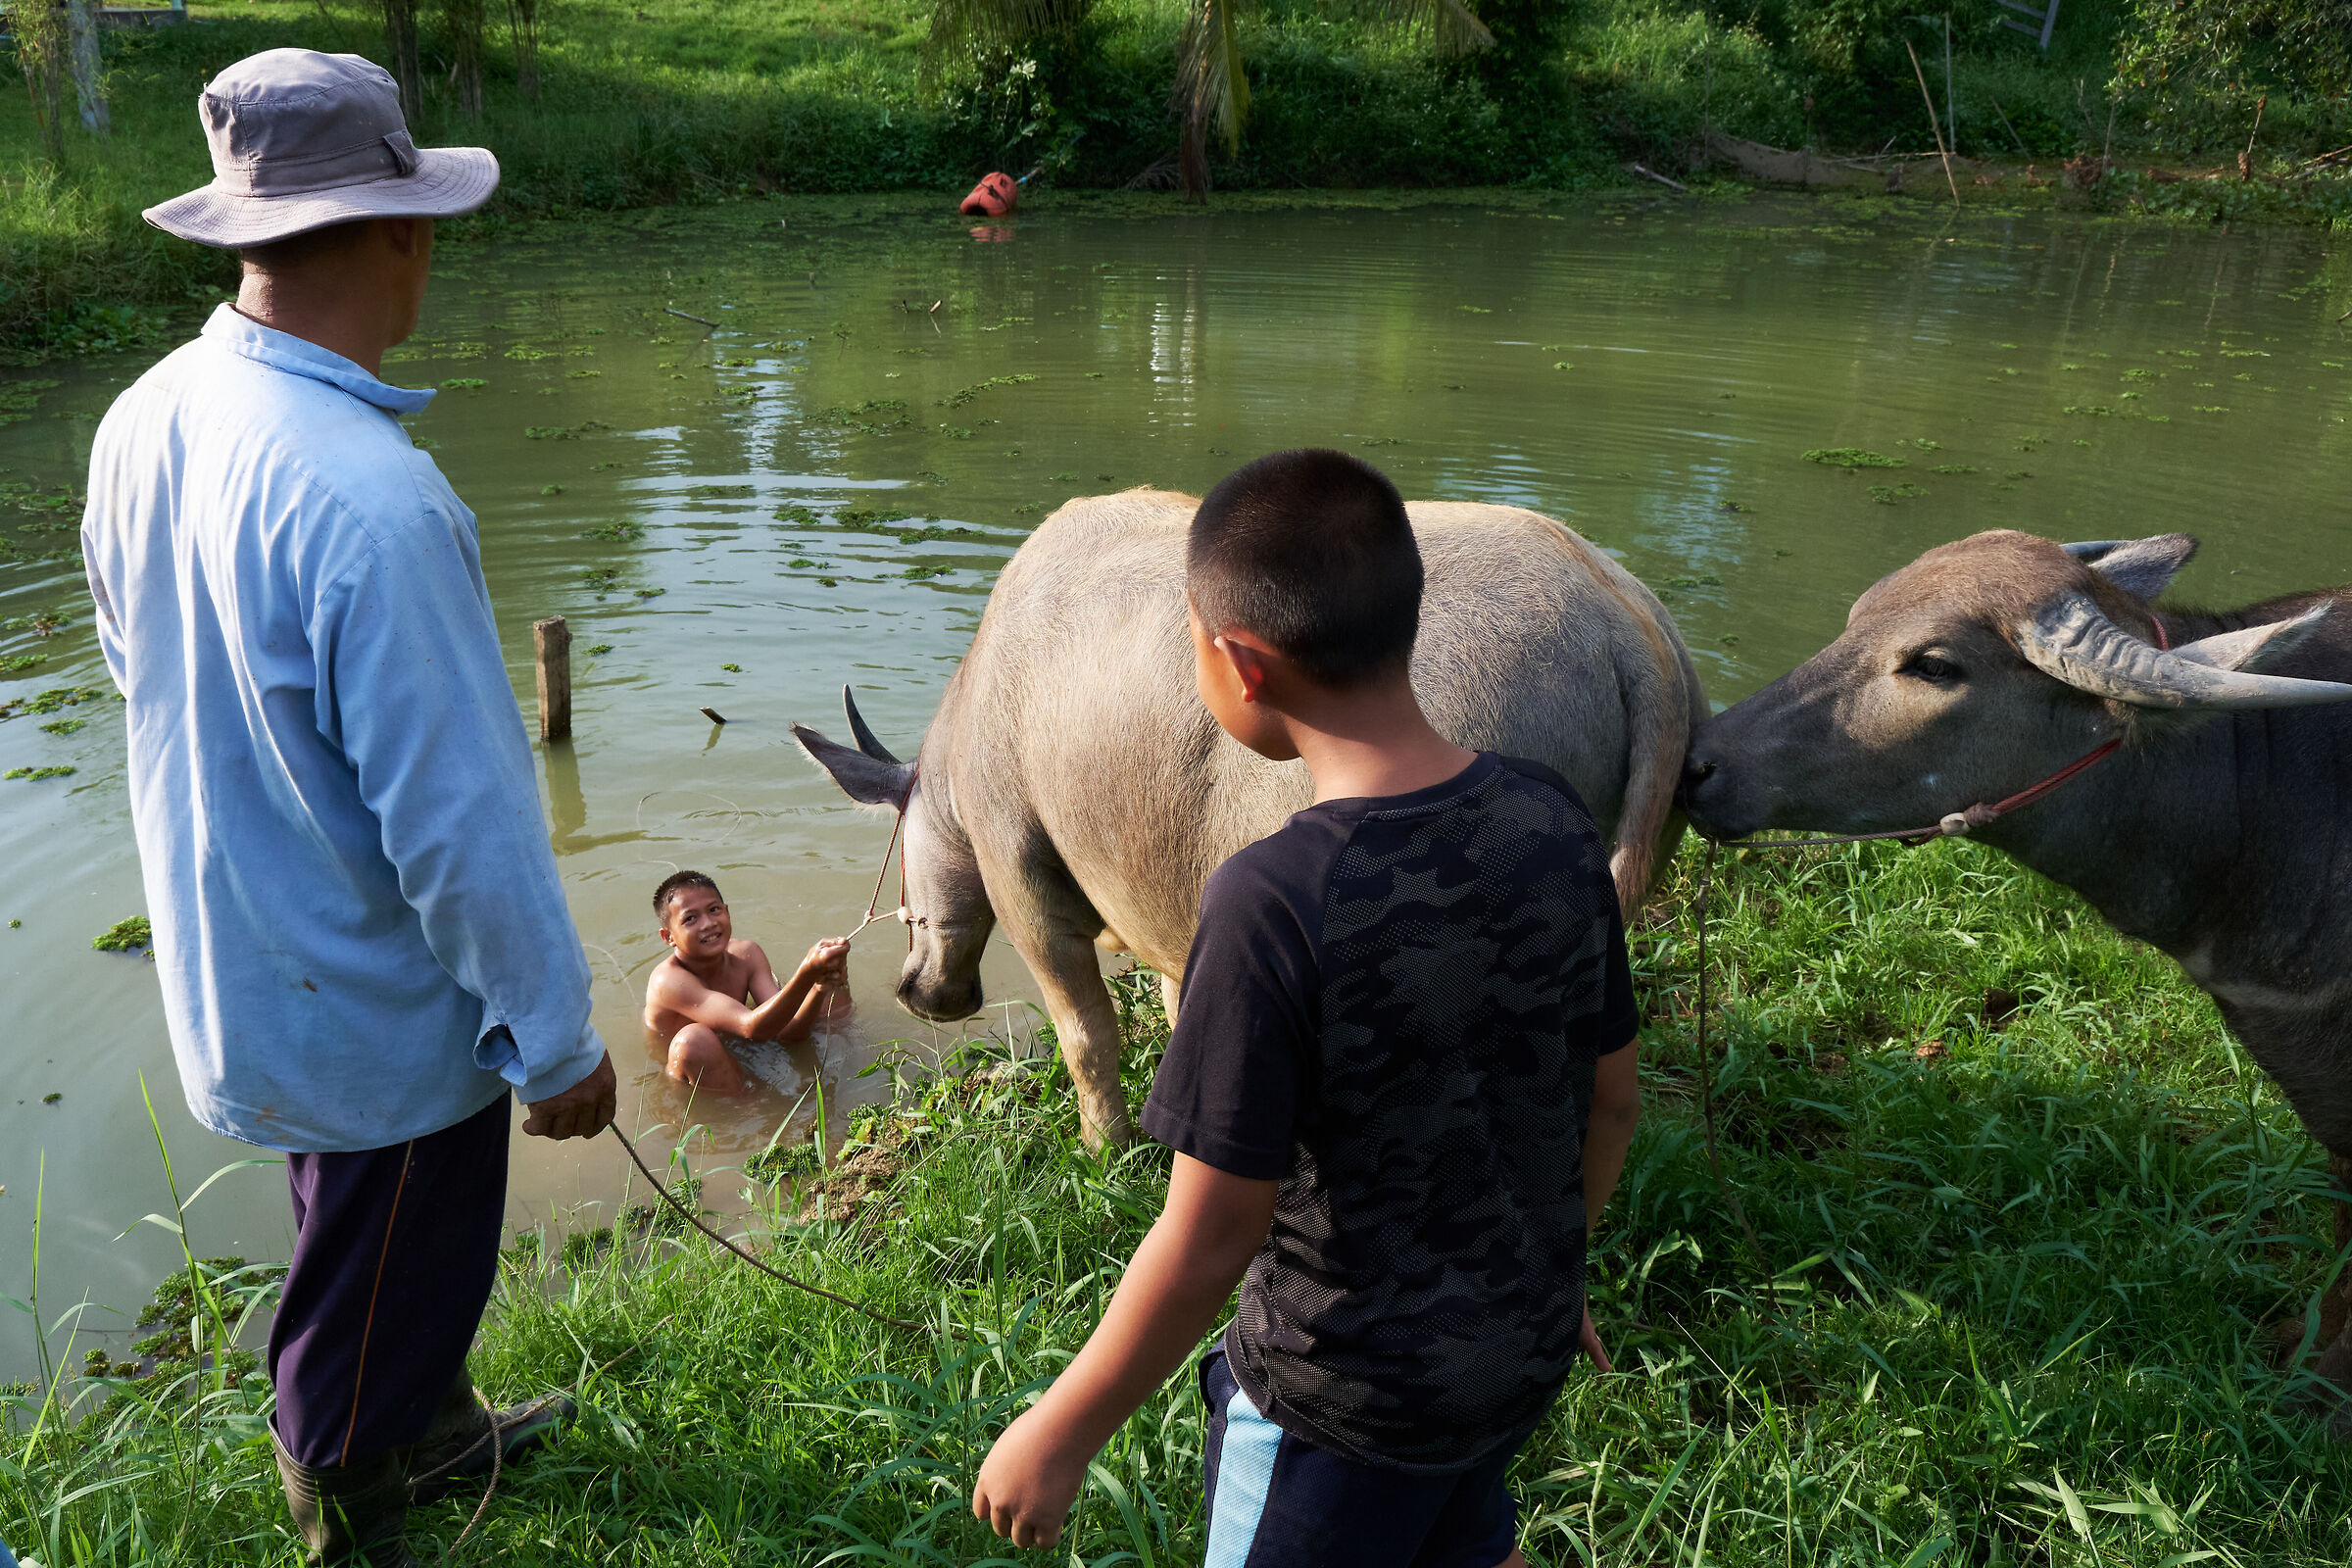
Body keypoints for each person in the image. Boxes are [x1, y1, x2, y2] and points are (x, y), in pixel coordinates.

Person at [82, 49, 616, 1567]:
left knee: (368, 1240)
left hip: (245, 939)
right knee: (380, 1266)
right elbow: (465, 824)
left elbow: (138, 668)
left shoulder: (147, 414)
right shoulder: (375, 500)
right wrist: (557, 1040)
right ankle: (345, 1496)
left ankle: (427, 1424)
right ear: (402, 232)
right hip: (383, 996)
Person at [970, 450, 1644, 1564]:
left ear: (1240, 664)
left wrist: (1063, 1425)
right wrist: (1544, 1275)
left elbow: (1212, 1232)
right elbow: (1610, 1102)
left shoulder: (1268, 901)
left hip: (1340, 1409)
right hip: (1513, 1346)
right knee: (1465, 1533)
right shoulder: (1552, 822)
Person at [643, 870, 852, 1094]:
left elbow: (785, 1031)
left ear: (727, 912)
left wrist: (819, 986)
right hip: (693, 1071)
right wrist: (806, 971)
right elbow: (752, 1027)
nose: (708, 924)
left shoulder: (746, 954)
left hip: (738, 1045)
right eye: (690, 919)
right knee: (692, 1041)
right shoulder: (668, 981)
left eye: (714, 910)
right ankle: (752, 1109)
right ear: (668, 937)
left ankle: (851, 1062)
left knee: (827, 986)